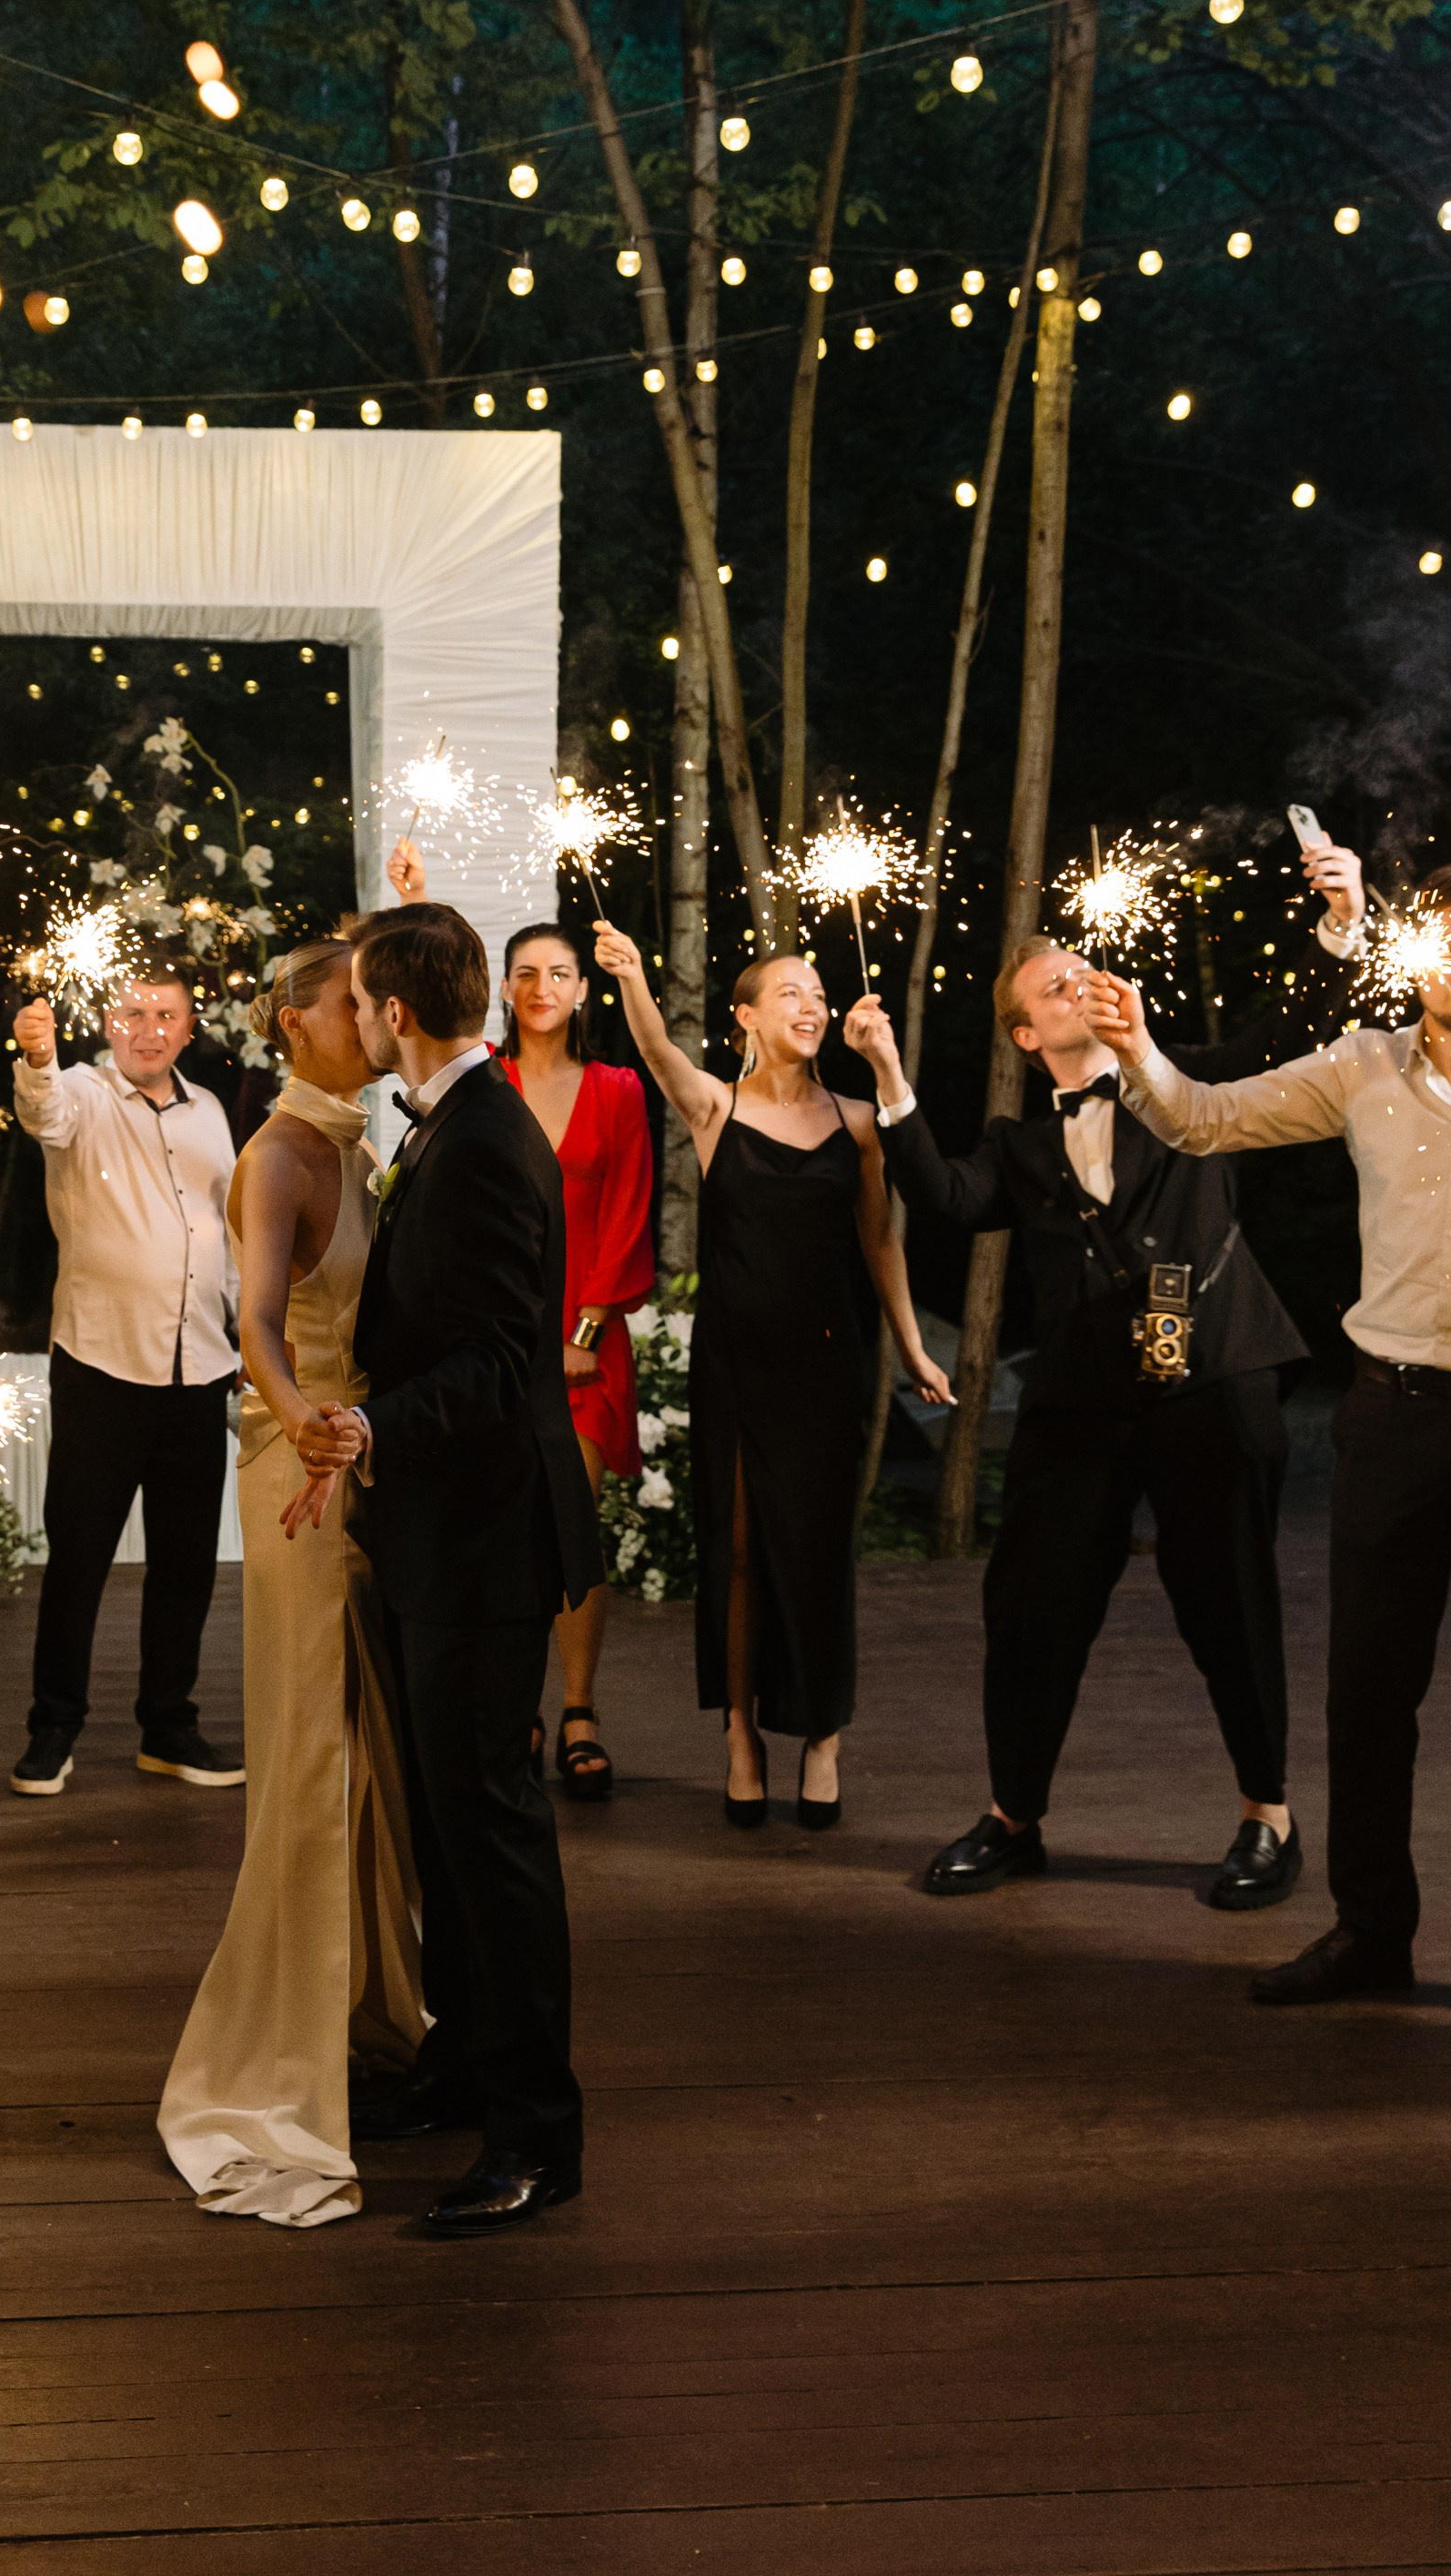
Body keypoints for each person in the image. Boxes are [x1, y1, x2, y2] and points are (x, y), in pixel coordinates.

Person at [845, 831, 1365, 1906]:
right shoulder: (1021, 1147)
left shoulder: (1194, 1084)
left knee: (1228, 1596)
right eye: (1050, 982)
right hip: (1082, 1402)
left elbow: (1294, 1029)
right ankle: (1013, 1816)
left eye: (1081, 966)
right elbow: (943, 1197)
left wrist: (1339, 923)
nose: (1076, 977)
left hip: (1215, 1372)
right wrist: (891, 1078)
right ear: (1027, 1031)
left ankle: (1268, 1817)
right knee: (1030, 1604)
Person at [1088, 856, 1451, 2003]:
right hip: (1398, 1411)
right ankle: (1370, 1932)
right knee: (1369, 1689)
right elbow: (1202, 1120)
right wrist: (1140, 1048)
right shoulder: (1364, 1066)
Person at [300, 899, 600, 2239]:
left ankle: (540, 2132)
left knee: (491, 1829)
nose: (355, 1021)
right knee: (442, 1818)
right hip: (437, 1524)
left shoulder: (480, 1145)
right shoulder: (453, 1124)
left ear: (398, 1017)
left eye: (363, 1002)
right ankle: (463, 2065)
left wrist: (371, 1425)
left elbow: (490, 1362)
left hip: (483, 1529)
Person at [157, 934, 424, 2227]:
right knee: (313, 1757)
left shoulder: (364, 1139)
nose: (372, 1019)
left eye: (376, 999)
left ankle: (372, 2012)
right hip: (304, 1474)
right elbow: (255, 1324)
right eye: (348, 1002)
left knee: (370, 1751)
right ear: (293, 1020)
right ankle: (283, 2069)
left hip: (366, 1467)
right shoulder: (279, 1152)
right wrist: (306, 1418)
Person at [595, 927, 952, 1827]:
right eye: (790, 992)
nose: (812, 1005)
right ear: (746, 1017)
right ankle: (743, 1739)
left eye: (819, 993)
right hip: (736, 1365)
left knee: (819, 1557)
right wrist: (634, 976)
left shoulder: (860, 1122)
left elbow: (880, 1241)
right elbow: (652, 1050)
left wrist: (910, 1346)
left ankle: (823, 1739)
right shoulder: (714, 1109)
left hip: (828, 1365)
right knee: (742, 1553)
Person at [6, 965, 243, 1800]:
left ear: (188, 1027)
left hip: (201, 1365)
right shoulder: (79, 1092)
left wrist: (248, 1330)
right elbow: (44, 1113)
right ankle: (52, 1730)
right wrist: (35, 1055)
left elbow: (228, 1230)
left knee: (186, 1560)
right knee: (79, 1557)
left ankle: (168, 1726)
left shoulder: (212, 1112)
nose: (148, 1028)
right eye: (133, 1013)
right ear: (107, 1023)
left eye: (165, 1016)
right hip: (103, 1363)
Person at [499, 923, 652, 1795]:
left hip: (585, 1341)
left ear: (582, 990)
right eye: (526, 973)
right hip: (504, 1335)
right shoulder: (487, 1078)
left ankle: (580, 1707)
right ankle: (516, 1701)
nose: (543, 985)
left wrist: (584, 1335)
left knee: (571, 1518)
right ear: (506, 989)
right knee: (508, 1525)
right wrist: (416, 898)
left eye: (559, 973)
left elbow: (630, 1204)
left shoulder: (618, 1088)